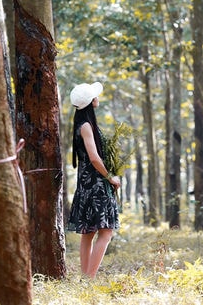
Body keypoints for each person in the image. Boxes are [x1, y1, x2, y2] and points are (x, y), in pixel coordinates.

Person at [68, 81, 121, 278]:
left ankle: (85, 278)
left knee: (88, 233)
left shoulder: (81, 124)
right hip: (96, 184)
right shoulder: (86, 126)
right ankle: (89, 278)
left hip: (86, 184)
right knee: (106, 232)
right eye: (94, 96)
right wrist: (110, 177)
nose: (97, 98)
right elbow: (94, 157)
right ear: (91, 102)